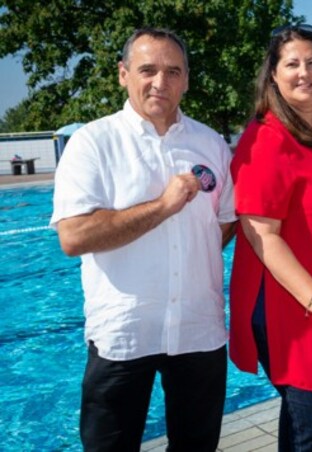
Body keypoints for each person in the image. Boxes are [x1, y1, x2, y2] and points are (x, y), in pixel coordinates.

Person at [50, 28, 236, 451]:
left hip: (198, 330)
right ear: (123, 74)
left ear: (187, 79)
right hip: (123, 332)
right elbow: (74, 236)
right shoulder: (93, 143)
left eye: (173, 71)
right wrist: (162, 208)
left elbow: (223, 224)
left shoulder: (210, 144)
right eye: (147, 69)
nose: (160, 82)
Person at [228, 23, 312, 451]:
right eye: (292, 64)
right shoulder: (267, 139)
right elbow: (259, 233)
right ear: (273, 75)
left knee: (306, 425)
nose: (304, 72)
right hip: (290, 307)